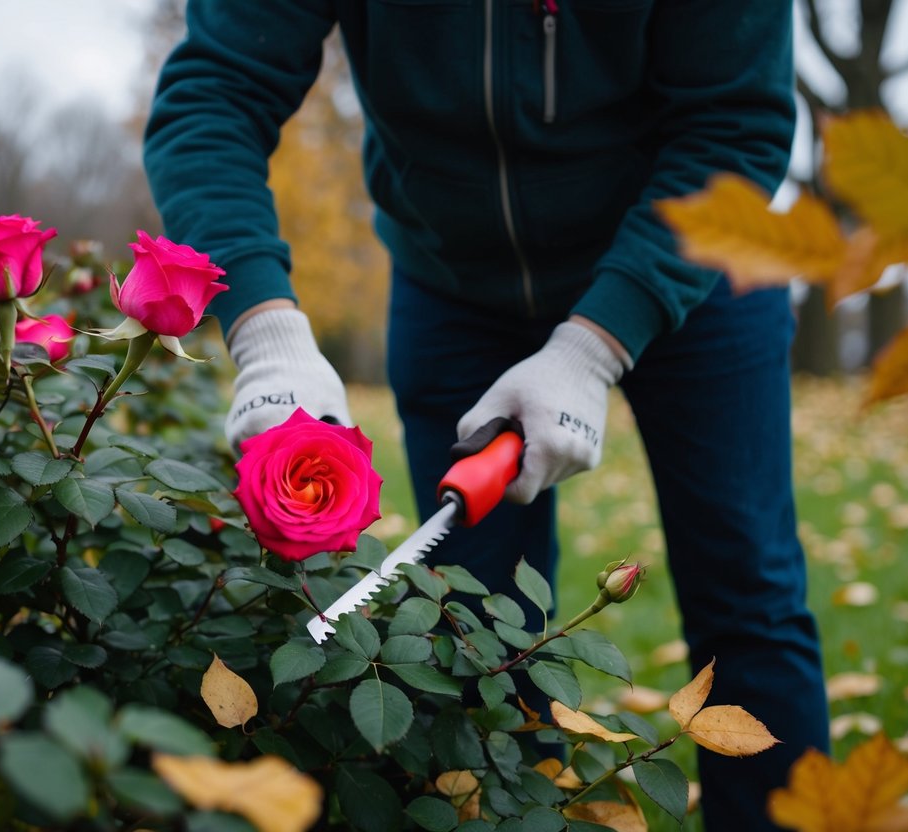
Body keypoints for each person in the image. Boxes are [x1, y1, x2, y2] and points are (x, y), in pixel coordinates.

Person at [144, 2, 829, 828]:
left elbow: (734, 125)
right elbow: (215, 90)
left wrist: (594, 346)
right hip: (453, 281)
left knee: (747, 593)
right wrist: (263, 328)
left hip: (699, 259)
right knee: (471, 622)